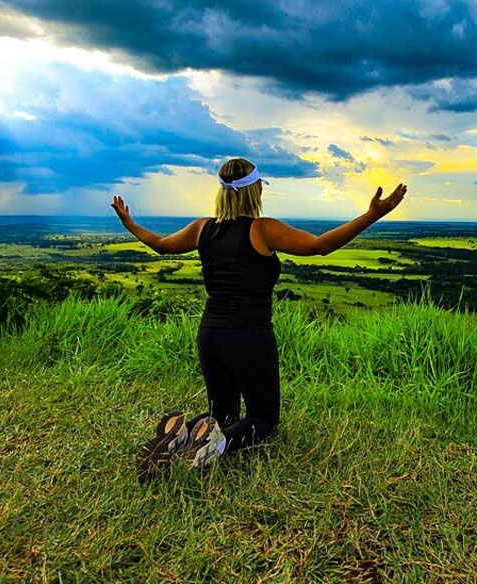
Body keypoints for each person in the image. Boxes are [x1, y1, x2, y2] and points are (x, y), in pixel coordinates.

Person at [110, 157, 407, 480]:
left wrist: (130, 223)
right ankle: (216, 446)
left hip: (210, 335)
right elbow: (321, 246)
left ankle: (181, 433)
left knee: (221, 414)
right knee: (263, 419)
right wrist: (371, 216)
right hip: (250, 337)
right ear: (255, 192)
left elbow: (160, 246)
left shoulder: (202, 228)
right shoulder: (263, 230)